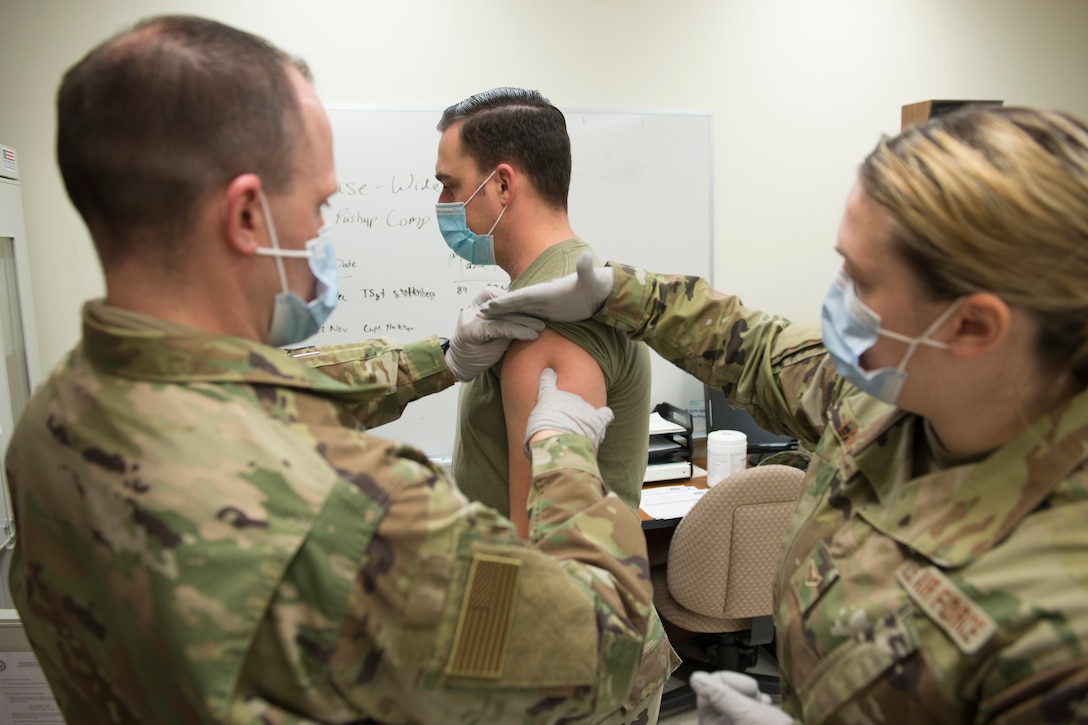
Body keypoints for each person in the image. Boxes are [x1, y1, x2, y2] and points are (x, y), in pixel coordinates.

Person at [4, 16, 661, 724]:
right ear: (248, 215)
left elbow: (258, 387)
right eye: (318, 205)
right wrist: (561, 443)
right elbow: (598, 644)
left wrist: (442, 360)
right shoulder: (353, 509)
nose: (324, 230)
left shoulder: (50, 421)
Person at [483, 105, 1088, 723]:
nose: (838, 295)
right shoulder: (884, 397)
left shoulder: (1060, 622)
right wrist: (621, 293)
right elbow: (757, 348)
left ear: (972, 325)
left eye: (862, 278)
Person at [433, 87, 653, 537]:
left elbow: (536, 535)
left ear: (502, 185)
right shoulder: (562, 288)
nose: (442, 204)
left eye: (450, 185)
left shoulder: (548, 320)